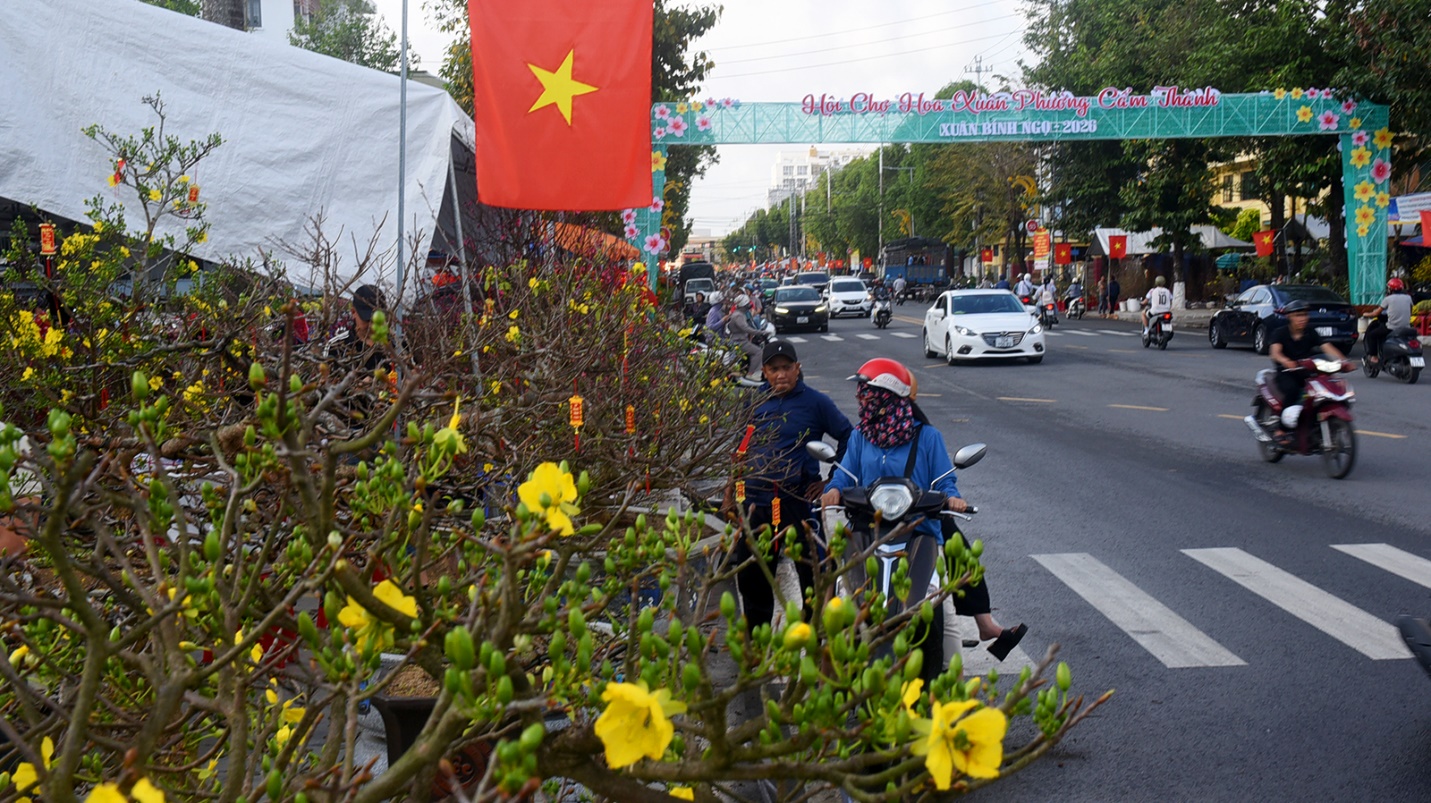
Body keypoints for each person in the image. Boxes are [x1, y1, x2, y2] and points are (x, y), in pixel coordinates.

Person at [819, 358, 1027, 660]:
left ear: (884, 396)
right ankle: (826, 670)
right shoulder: (859, 437)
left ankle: (949, 687)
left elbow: (945, 480)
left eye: (865, 391)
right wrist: (834, 490)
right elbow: (843, 474)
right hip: (868, 531)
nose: (859, 397)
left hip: (919, 531)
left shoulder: (928, 437)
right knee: (839, 592)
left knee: (942, 613)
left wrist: (952, 499)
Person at [730, 340, 853, 633]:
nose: (781, 374)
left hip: (799, 502)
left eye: (787, 368)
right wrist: (734, 496)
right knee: (752, 576)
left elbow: (849, 437)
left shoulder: (816, 402)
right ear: (765, 372)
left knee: (817, 571)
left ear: (798, 369)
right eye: (774, 369)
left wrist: (831, 480)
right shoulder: (753, 403)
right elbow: (740, 449)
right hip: (756, 503)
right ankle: (757, 643)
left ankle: (818, 635)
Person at [1269, 299, 1351, 434]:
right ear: (1289, 316)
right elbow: (1275, 353)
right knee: (1293, 391)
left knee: (1327, 389)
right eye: (1298, 315)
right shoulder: (1280, 332)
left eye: (1305, 315)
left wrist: (1344, 361)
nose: (1302, 319)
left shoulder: (1311, 332)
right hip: (1286, 372)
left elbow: (1327, 348)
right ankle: (1281, 429)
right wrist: (1286, 361)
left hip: (1307, 371)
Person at [1362, 277, 1413, 365]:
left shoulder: (1388, 299)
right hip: (1406, 327)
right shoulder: (1408, 298)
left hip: (1392, 328)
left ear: (1390, 289)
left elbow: (1376, 313)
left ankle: (1374, 356)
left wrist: (1365, 314)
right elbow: (1410, 311)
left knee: (1372, 335)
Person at [724, 295, 767, 380]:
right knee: (758, 352)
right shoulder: (739, 315)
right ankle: (752, 373)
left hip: (738, 339)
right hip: (739, 341)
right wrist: (761, 332)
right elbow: (745, 328)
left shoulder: (737, 314)